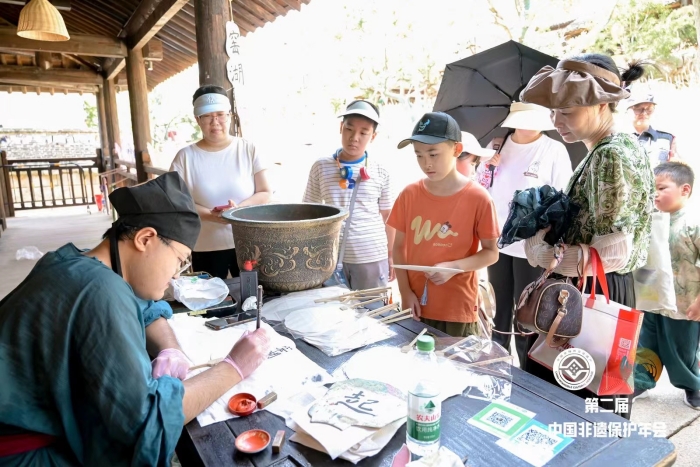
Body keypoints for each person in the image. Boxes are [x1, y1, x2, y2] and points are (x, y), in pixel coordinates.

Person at [0, 172, 272, 465]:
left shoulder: (73, 261)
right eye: (179, 261)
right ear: (146, 239)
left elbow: (146, 308)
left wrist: (172, 349)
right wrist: (233, 368)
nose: (174, 277)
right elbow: (144, 421)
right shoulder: (100, 291)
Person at [520, 55, 655, 420]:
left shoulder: (612, 154)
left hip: (593, 290)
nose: (557, 121)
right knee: (586, 399)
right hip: (591, 287)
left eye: (568, 110)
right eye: (554, 111)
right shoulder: (610, 149)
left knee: (577, 404)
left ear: (600, 104)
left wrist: (545, 255)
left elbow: (614, 249)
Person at [387, 112, 500, 337]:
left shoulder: (479, 198)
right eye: (418, 155)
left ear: (456, 150)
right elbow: (399, 248)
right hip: (416, 306)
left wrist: (454, 267)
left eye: (433, 154)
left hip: (456, 308)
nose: (426, 163)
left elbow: (491, 253)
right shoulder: (409, 194)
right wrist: (405, 291)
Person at [474, 102, 573, 358]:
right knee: (500, 307)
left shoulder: (553, 149)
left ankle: (527, 370)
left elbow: (563, 198)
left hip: (533, 245)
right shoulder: (497, 145)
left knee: (528, 311)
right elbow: (479, 188)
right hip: (496, 239)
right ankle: (496, 360)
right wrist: (487, 166)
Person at [170, 85, 273, 280]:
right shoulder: (185, 157)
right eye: (207, 116)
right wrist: (210, 215)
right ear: (197, 120)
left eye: (220, 115)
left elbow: (265, 192)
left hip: (249, 243)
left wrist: (237, 212)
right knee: (211, 305)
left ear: (229, 116)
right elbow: (175, 200)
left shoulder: (248, 149)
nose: (215, 122)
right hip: (205, 245)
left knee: (252, 301)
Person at [303, 100, 395, 290]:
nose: (355, 137)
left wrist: (392, 254)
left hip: (371, 255)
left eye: (364, 133)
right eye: (349, 129)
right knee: (334, 313)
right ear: (341, 128)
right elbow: (308, 212)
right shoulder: (321, 166)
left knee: (372, 313)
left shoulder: (381, 170)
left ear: (373, 136)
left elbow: (389, 216)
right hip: (329, 256)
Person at [633, 162, 700, 409]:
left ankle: (692, 385)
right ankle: (640, 381)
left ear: (685, 190)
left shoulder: (694, 222)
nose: (655, 194)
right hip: (652, 299)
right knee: (645, 343)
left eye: (661, 188)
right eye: (652, 188)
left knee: (682, 348)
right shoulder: (651, 220)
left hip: (685, 303)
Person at [626, 93, 681, 167]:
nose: (644, 113)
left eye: (649, 109)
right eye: (638, 109)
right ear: (627, 110)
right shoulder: (616, 138)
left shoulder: (667, 138)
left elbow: (676, 168)